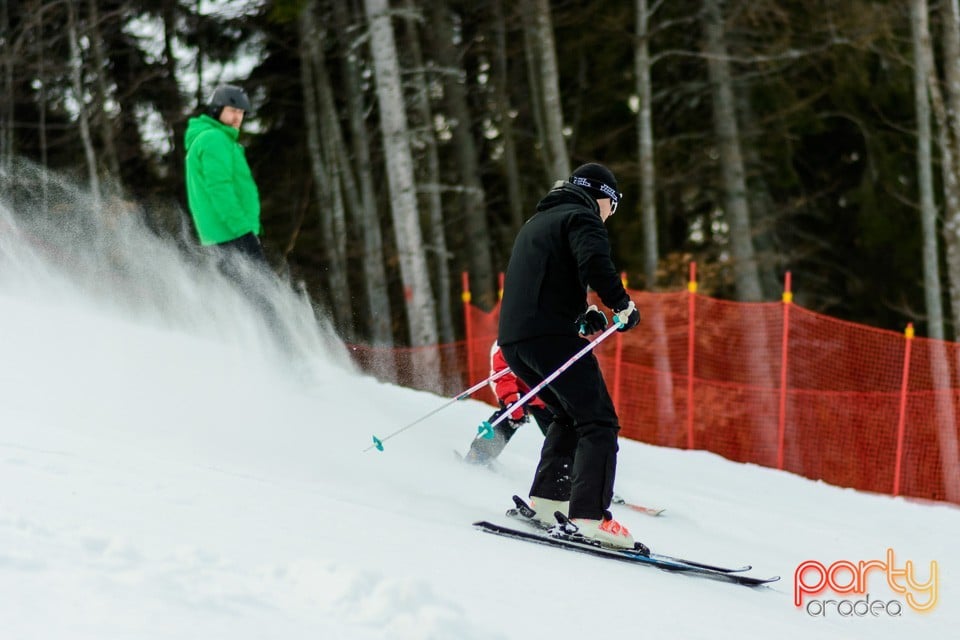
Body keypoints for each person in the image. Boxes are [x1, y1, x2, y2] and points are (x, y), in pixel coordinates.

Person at [497, 162, 641, 549]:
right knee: (599, 420)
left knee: (568, 414)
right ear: (604, 198)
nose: (611, 215)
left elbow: (547, 276)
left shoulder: (539, 221)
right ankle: (591, 518)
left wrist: (581, 313)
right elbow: (594, 262)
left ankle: (547, 502)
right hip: (549, 337)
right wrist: (621, 305)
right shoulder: (583, 216)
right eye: (615, 205)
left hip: (515, 340)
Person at [184, 84, 265, 264]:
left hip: (225, 234)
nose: (238, 117)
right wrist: (243, 229)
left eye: (241, 112)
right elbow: (220, 188)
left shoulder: (212, 139)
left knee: (242, 290)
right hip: (232, 233)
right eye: (232, 111)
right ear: (217, 110)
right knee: (257, 291)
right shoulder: (214, 139)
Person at [463, 341, 556, 465]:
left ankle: (571, 467)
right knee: (512, 414)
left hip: (543, 395)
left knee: (560, 427)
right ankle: (480, 454)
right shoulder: (509, 340)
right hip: (515, 387)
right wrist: (511, 400)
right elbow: (501, 374)